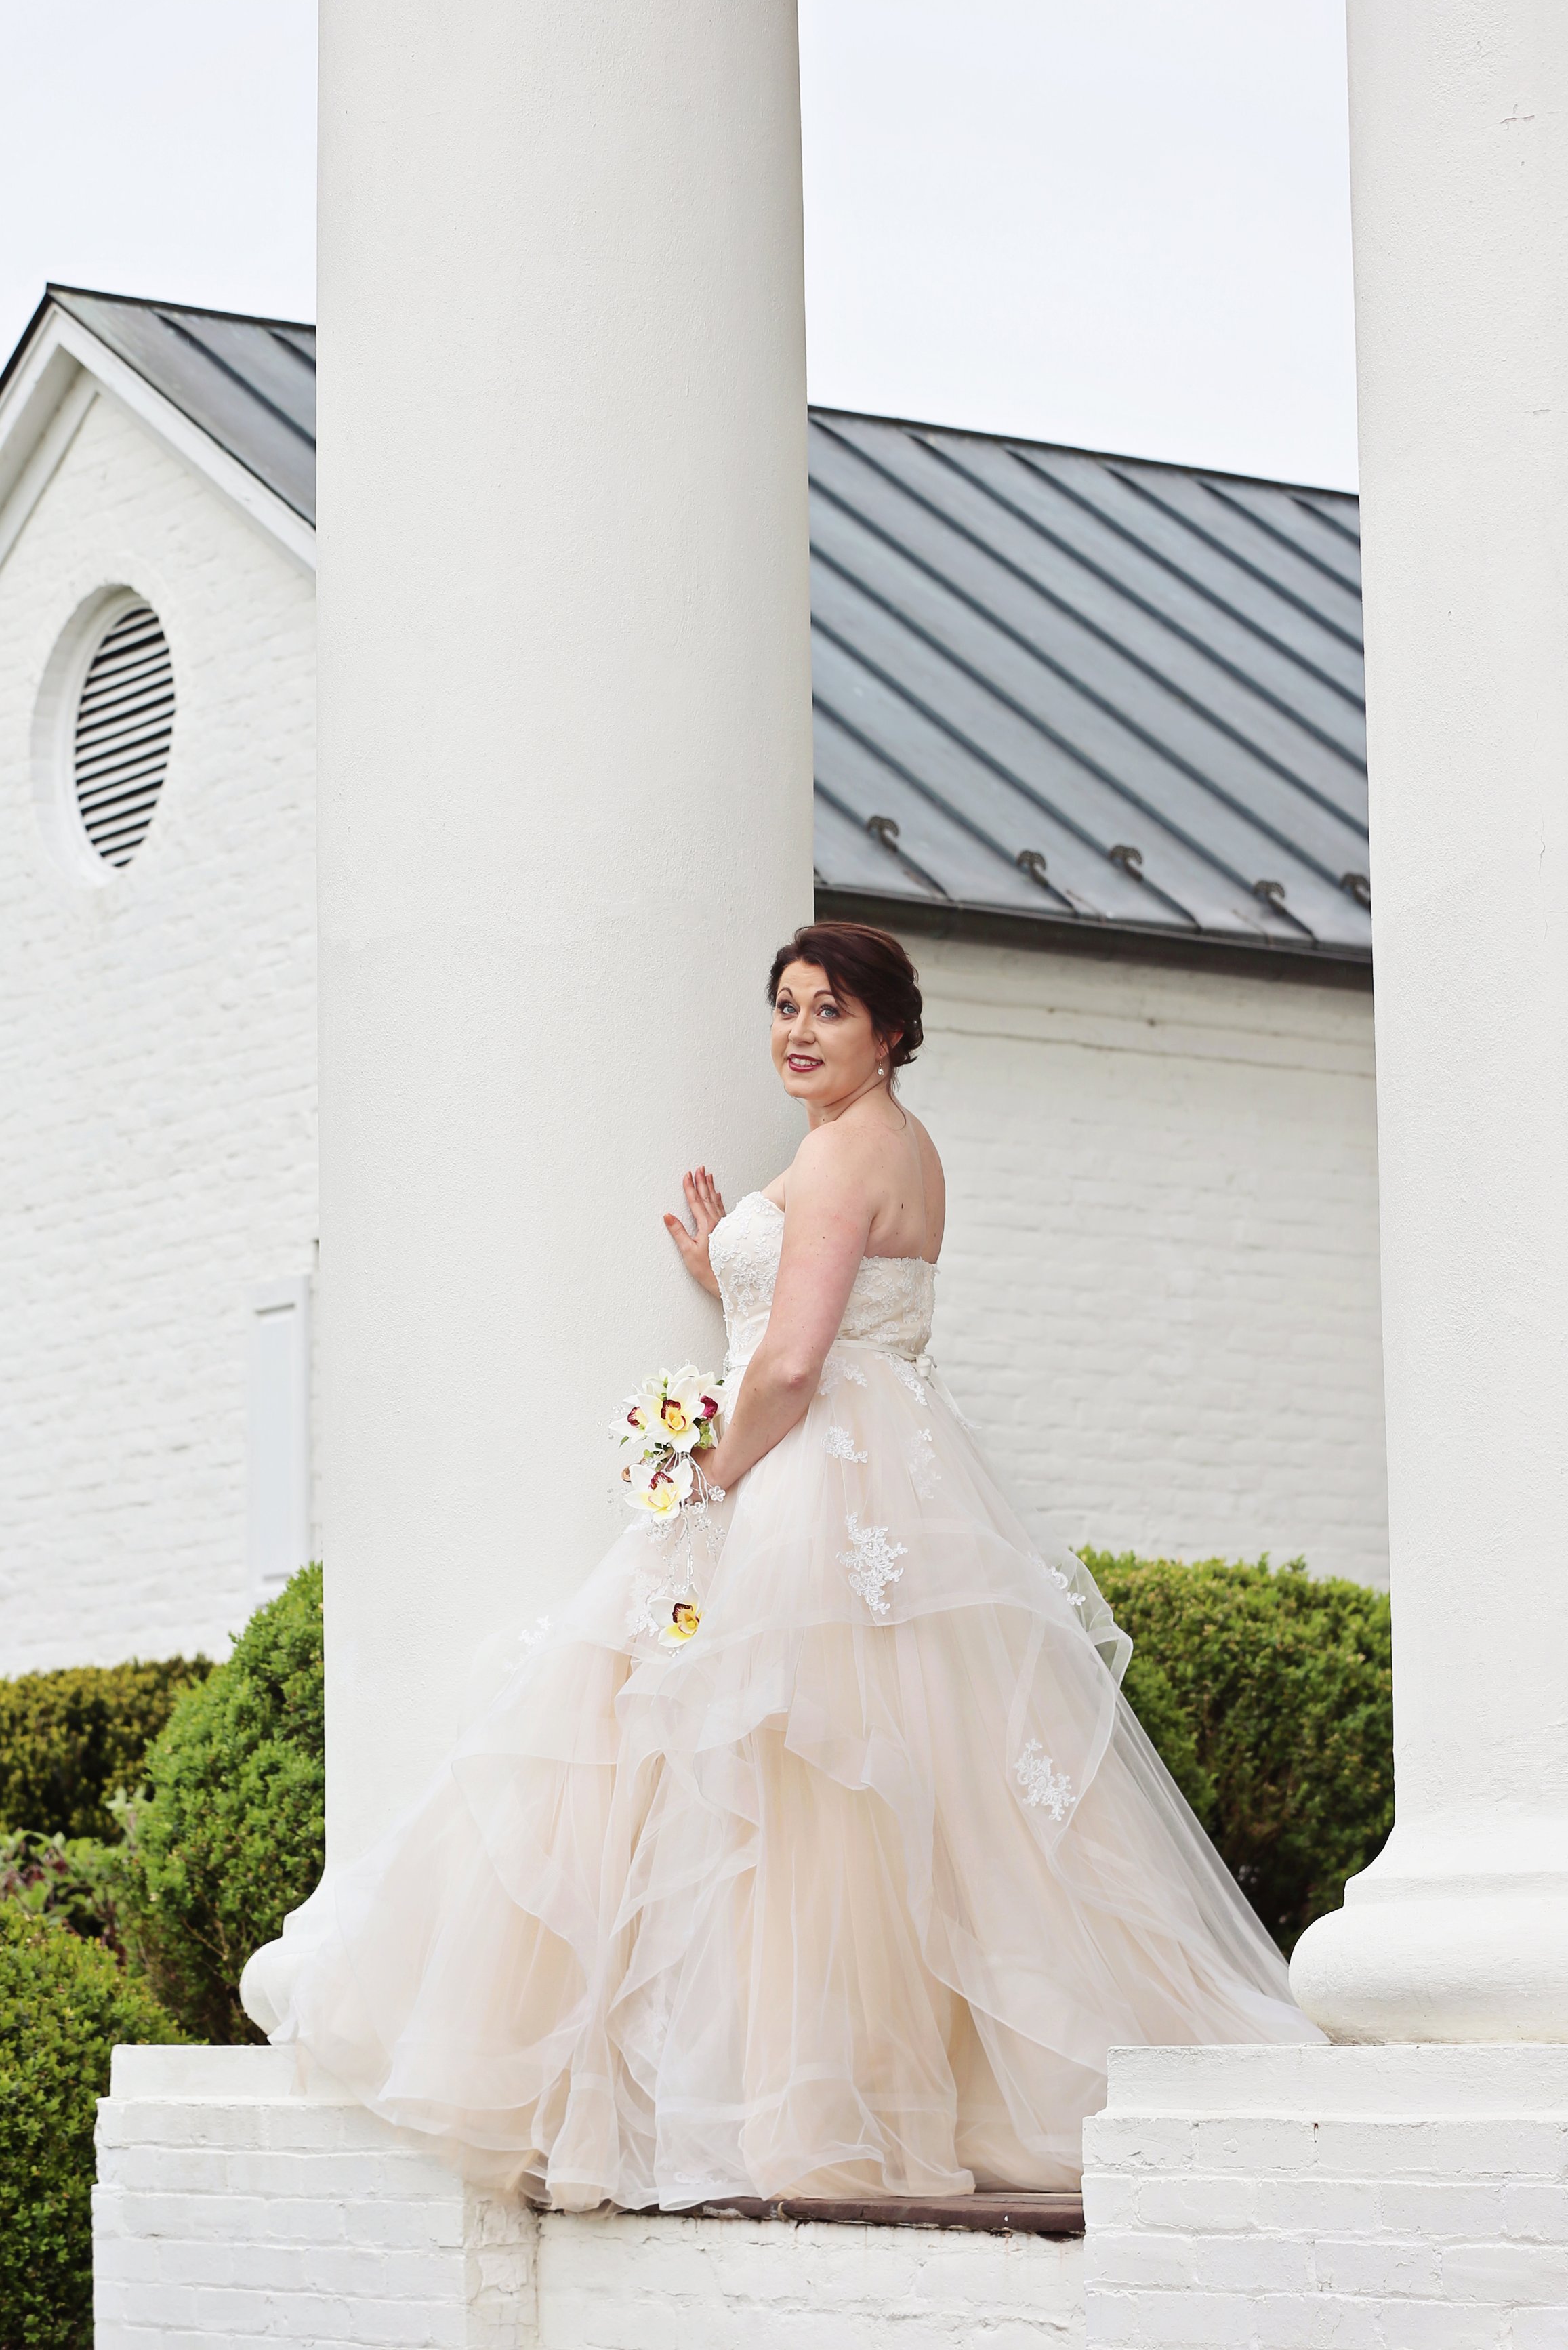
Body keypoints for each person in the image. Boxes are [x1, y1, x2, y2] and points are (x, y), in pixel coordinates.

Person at [243, 922, 1316, 2210]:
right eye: (787, 1005)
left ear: (892, 1035)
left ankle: (753, 2101)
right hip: (903, 1477)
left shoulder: (839, 1151)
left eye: (833, 1011)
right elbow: (846, 1313)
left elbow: (800, 1364)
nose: (799, 1031)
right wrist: (732, 1279)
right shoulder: (908, 1149)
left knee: (760, 1782)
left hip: (813, 1481)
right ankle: (878, 2090)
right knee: (908, 1795)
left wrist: (709, 1471)